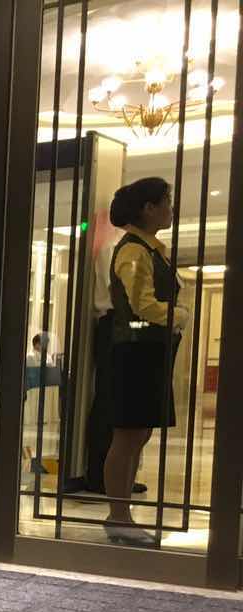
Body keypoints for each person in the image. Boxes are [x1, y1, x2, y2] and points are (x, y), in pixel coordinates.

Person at [101, 177, 187, 546]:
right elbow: (142, 306)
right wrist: (180, 315)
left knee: (138, 434)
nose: (171, 208)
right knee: (127, 435)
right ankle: (118, 517)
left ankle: (121, 517)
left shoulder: (150, 249)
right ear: (148, 208)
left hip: (147, 351)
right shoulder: (135, 251)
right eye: (166, 201)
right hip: (135, 351)